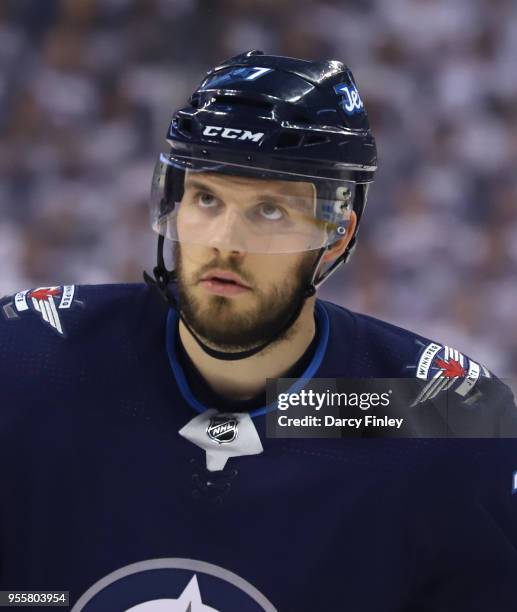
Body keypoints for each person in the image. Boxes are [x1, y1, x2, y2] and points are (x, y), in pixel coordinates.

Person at [1, 50, 516, 611]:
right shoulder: (27, 358)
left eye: (269, 211)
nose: (226, 240)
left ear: (337, 237)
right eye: (206, 198)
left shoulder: (438, 412)